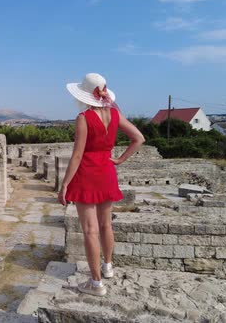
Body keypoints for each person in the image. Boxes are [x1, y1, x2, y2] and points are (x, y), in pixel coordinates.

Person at [58, 73, 145, 296]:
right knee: (106, 225)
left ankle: (95, 284)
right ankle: (107, 267)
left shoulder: (83, 118)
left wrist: (65, 184)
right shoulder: (115, 113)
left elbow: (77, 155)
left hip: (87, 174)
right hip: (107, 171)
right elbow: (139, 138)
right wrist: (120, 159)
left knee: (89, 230)